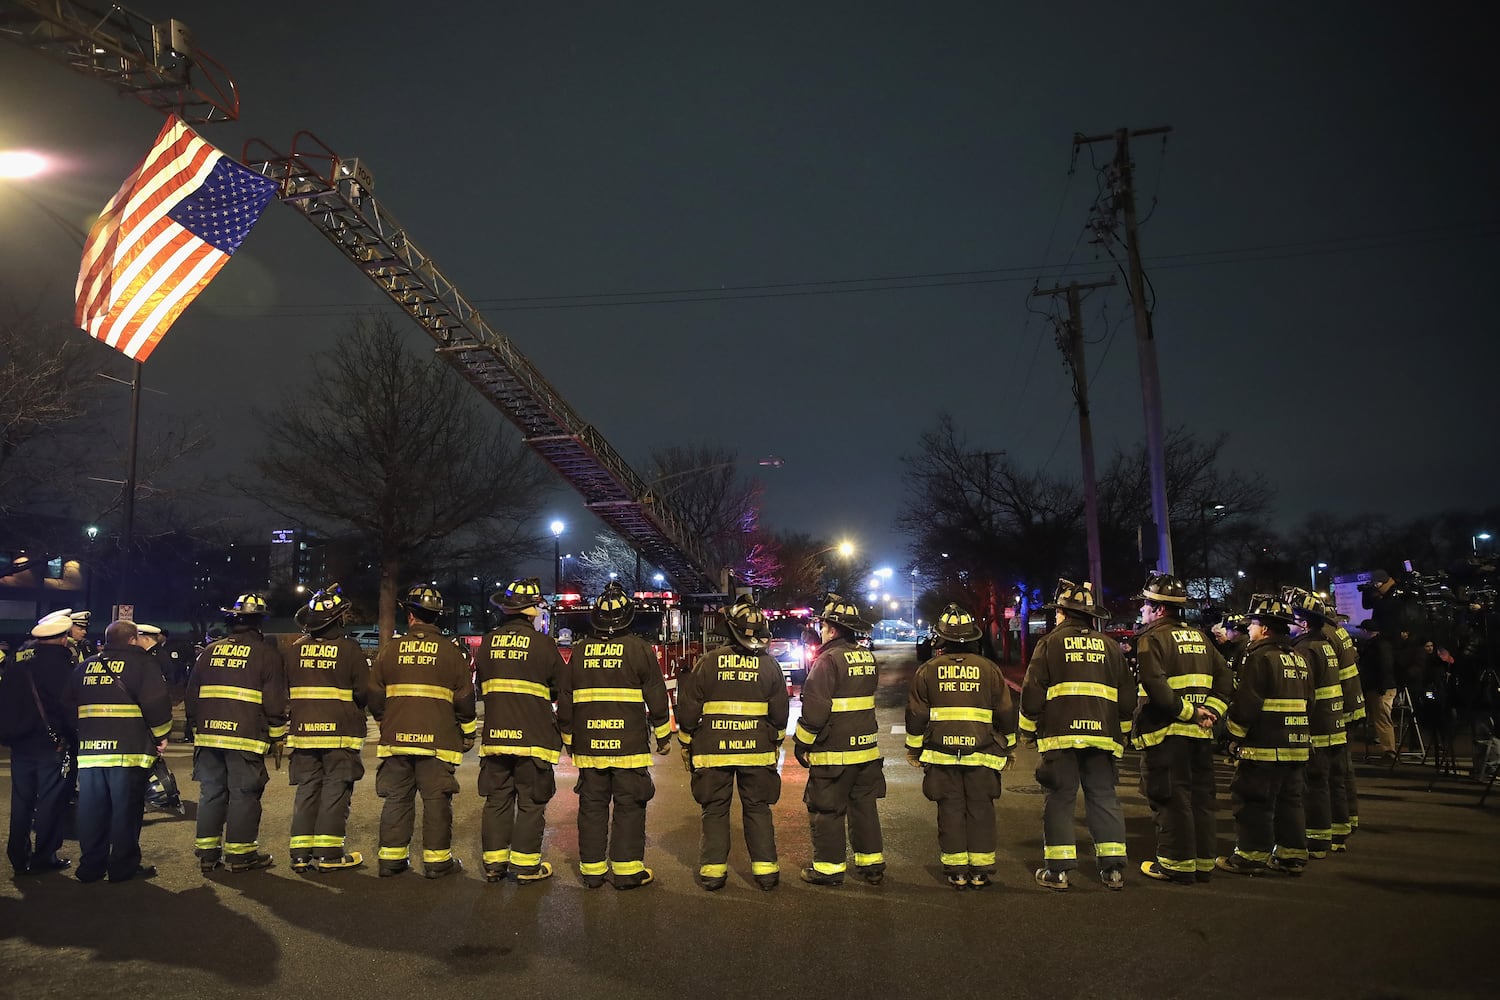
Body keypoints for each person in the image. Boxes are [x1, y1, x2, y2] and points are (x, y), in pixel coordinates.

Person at [1020, 579, 1133, 892]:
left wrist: (1027, 730)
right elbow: (1127, 699)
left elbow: (1032, 693)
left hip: (1060, 737)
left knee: (1060, 797)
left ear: (1061, 613)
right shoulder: (1110, 646)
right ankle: (1113, 871)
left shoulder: (1049, 644)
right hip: (1103, 738)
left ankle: (1058, 872)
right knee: (1103, 797)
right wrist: (1120, 734)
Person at [557, 582, 672, 889]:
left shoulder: (580, 652)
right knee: (630, 806)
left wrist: (569, 739)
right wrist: (663, 737)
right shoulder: (639, 650)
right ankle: (626, 872)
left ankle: (593, 872)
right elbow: (657, 696)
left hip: (590, 747)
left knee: (592, 807)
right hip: (630, 746)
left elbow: (566, 700)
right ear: (627, 616)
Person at [676, 595, 789, 891]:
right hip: (757, 751)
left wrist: (687, 743)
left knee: (714, 810)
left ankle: (713, 874)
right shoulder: (770, 665)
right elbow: (779, 715)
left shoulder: (707, 662)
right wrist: (775, 741)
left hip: (713, 752)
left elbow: (689, 710)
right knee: (758, 809)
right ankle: (766, 873)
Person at [367, 584, 476, 878]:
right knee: (436, 799)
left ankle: (391, 860)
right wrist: (468, 733)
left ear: (411, 615)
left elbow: (374, 693)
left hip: (397, 739)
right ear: (437, 617)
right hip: (438, 741)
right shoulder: (451, 653)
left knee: (397, 798)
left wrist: (384, 720)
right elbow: (465, 699)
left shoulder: (390, 650)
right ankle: (437, 863)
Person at [904, 603, 1015, 889]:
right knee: (981, 809)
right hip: (982, 753)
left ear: (941, 637)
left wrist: (914, 749)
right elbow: (1005, 711)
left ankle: (956, 871)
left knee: (950, 809)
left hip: (942, 754)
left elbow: (917, 715)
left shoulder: (928, 671)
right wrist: (1009, 744)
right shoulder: (989, 670)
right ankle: (980, 871)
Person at [1132, 574, 1233, 886]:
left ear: (1161, 610)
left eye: (1147, 605)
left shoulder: (1152, 639)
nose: (1143, 612)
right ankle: (1203, 863)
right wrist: (1212, 712)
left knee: (1171, 798)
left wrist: (1187, 713)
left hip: (1167, 735)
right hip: (1201, 736)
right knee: (1200, 799)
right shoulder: (1202, 638)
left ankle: (1176, 864)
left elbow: (1154, 684)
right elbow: (1225, 677)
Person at [188, 592, 289, 874]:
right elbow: (274, 702)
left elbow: (192, 695)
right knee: (244, 794)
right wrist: (277, 735)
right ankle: (241, 856)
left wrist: (197, 726)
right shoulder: (266, 655)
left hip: (208, 737)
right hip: (245, 736)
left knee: (211, 794)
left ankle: (207, 855)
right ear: (259, 623)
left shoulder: (209, 652)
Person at [66, 620, 174, 882]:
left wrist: (80, 736)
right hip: (129, 752)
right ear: (132, 639)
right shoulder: (143, 664)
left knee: (92, 810)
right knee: (126, 811)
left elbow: (67, 706)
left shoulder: (84, 666)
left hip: (91, 753)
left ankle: (90, 867)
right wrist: (161, 736)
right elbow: (156, 704)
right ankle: (122, 867)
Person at [474, 578, 565, 884]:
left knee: (497, 800)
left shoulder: (487, 642)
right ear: (531, 612)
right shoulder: (543, 645)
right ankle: (526, 867)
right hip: (533, 738)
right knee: (530, 801)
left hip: (496, 737)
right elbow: (560, 689)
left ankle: (494, 865)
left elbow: (480, 686)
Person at [793, 594, 886, 887]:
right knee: (864, 807)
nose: (821, 630)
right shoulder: (867, 657)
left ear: (832, 629)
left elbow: (816, 710)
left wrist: (802, 741)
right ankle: (872, 866)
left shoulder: (827, 661)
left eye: (823, 626)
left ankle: (829, 869)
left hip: (834, 754)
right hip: (866, 751)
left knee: (828, 810)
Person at [1217, 594, 1313, 876]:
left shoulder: (1257, 656)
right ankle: (1291, 855)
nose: (1249, 628)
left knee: (1253, 801)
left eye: (1253, 623)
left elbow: (1247, 703)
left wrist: (1233, 737)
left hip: (1264, 746)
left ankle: (1250, 856)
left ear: (1266, 629)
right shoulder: (1298, 657)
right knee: (1290, 800)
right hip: (1297, 745)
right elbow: (1312, 702)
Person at [285, 584, 370, 873]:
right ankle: (329, 854)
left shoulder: (294, 650)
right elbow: (363, 692)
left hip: (303, 733)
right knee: (336, 789)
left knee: (307, 789)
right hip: (340, 733)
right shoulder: (350, 650)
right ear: (338, 619)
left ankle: (300, 853)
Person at [0, 611, 78, 875]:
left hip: (20, 743)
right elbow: (68, 708)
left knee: (21, 801)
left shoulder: (18, 661)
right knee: (49, 801)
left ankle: (18, 854)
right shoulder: (62, 667)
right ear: (63, 638)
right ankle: (45, 855)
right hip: (51, 744)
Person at [1284, 588, 1347, 860]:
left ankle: (1318, 840)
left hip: (1317, 727)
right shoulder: (1324, 644)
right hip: (1333, 724)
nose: (1287, 624)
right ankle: (1337, 833)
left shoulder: (1305, 649)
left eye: (1292, 619)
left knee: (1315, 783)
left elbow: (1304, 692)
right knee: (1334, 781)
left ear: (1305, 623)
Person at [1322, 605, 1364, 848]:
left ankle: (1338, 825)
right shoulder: (1338, 632)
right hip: (1347, 705)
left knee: (1334, 772)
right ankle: (1349, 818)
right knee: (1343, 771)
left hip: (1335, 710)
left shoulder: (1325, 637)